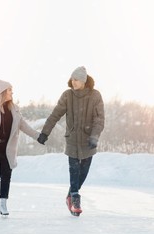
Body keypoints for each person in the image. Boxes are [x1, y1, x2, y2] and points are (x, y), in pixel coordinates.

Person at [37, 66, 105, 216]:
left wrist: (94, 136)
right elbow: (55, 115)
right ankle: (75, 198)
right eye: (72, 79)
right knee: (74, 171)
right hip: (73, 139)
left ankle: (70, 195)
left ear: (84, 81)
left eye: (76, 79)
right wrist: (44, 133)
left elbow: (99, 119)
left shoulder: (95, 96)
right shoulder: (68, 95)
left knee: (83, 173)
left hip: (89, 140)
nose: (73, 82)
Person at [0, 78, 39, 215]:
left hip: (7, 150)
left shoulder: (14, 110)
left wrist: (37, 136)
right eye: (10, 90)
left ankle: (3, 204)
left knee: (6, 177)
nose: (12, 92)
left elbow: (24, 126)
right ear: (3, 92)